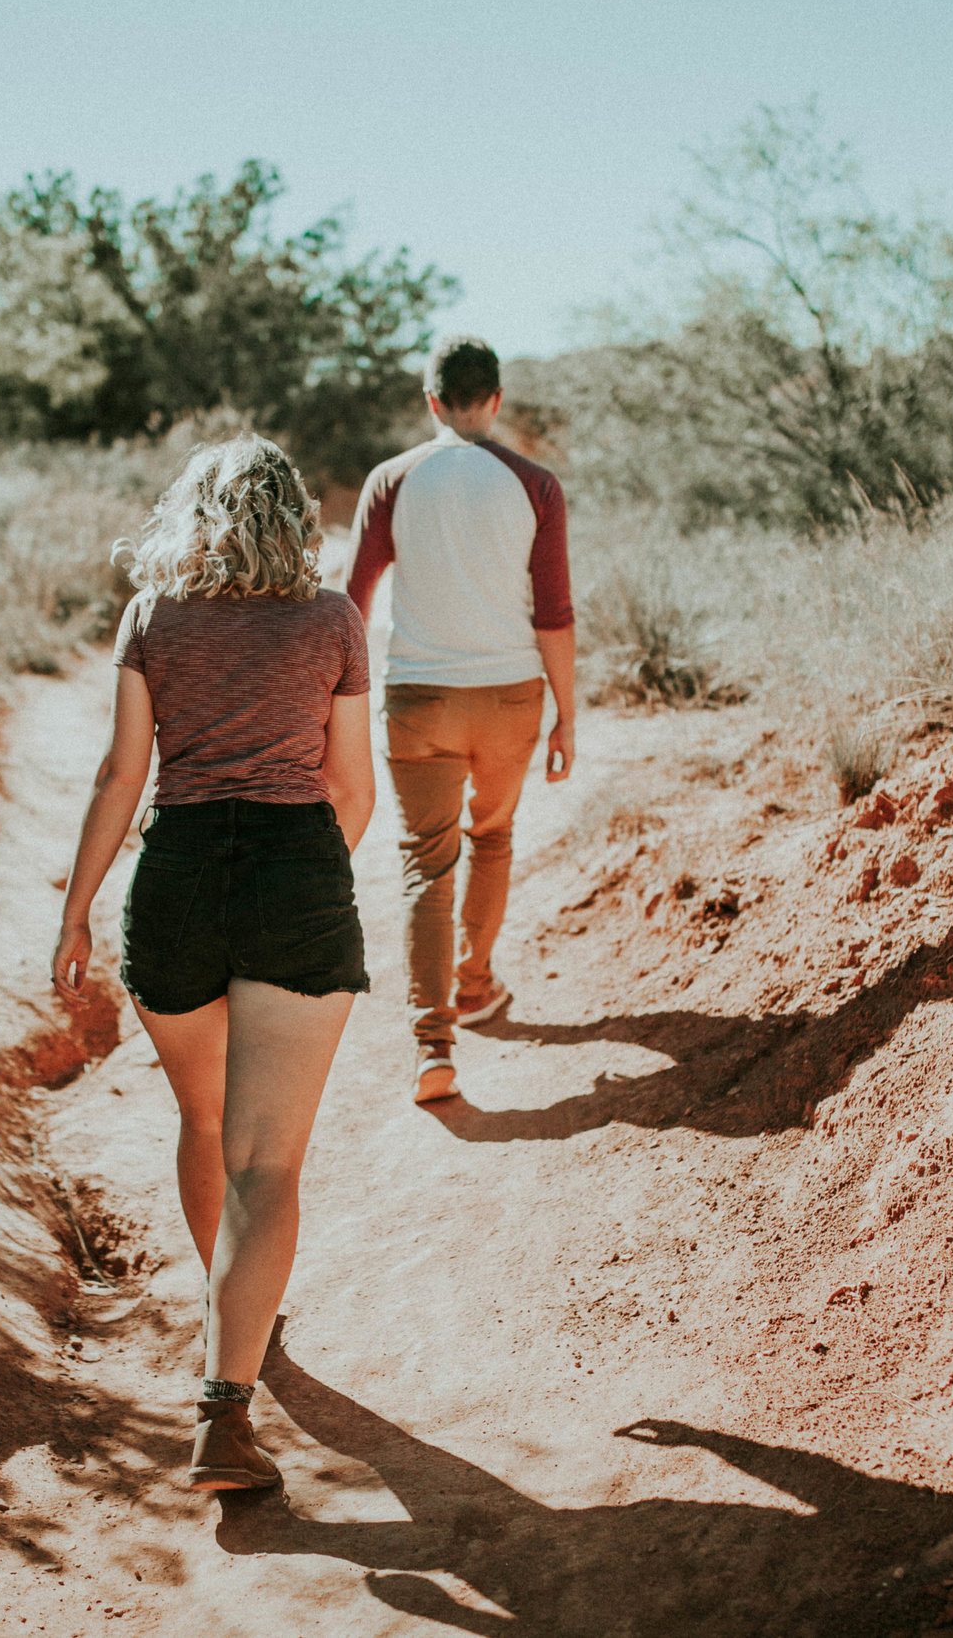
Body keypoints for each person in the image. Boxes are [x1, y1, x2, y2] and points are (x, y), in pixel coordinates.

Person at [52, 434, 375, 1493]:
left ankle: (232, 1308)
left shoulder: (152, 617)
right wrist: (305, 881)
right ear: (296, 515)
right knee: (267, 1162)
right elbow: (352, 790)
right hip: (294, 871)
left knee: (204, 1123)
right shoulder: (332, 617)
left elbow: (118, 771)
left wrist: (75, 912)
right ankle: (223, 1412)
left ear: (191, 513)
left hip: (177, 877)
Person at [345, 334, 574, 1105]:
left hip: (419, 703)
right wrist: (566, 713)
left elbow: (352, 605)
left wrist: (334, 706)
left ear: (432, 401)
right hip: (512, 697)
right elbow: (555, 614)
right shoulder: (535, 484)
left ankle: (431, 1047)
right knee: (493, 836)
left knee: (424, 864)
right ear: (497, 401)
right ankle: (474, 983)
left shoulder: (391, 480)